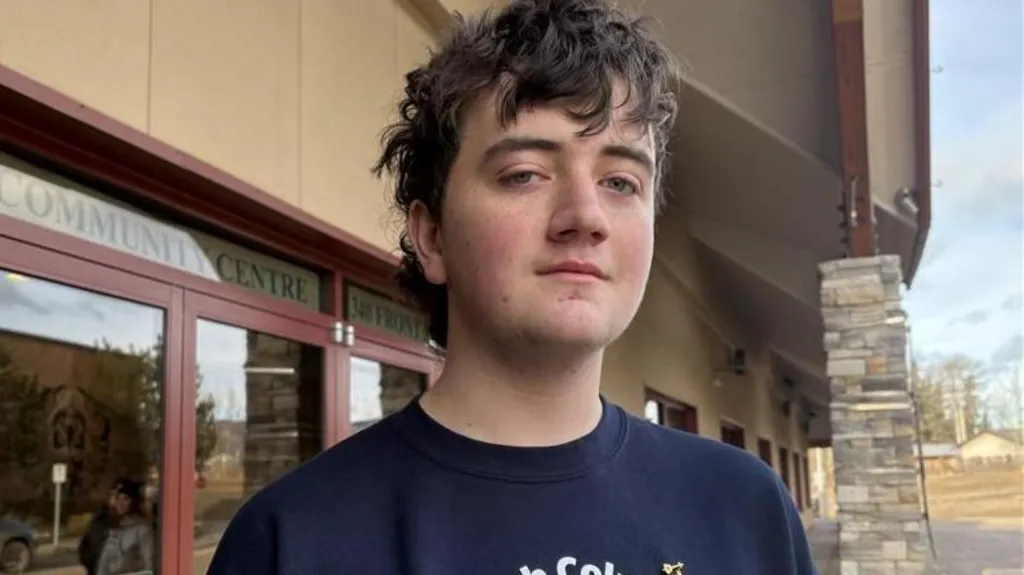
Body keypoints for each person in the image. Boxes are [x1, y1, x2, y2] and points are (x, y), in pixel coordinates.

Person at [208, 1, 817, 574]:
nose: (586, 216)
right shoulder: (291, 542)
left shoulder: (747, 511)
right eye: (524, 174)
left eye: (621, 182)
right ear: (433, 237)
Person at [94, 479, 154, 575]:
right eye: (118, 498)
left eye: (125, 499)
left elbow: (149, 566)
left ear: (134, 502)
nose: (120, 503)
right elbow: (104, 563)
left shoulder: (142, 530)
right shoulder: (114, 527)